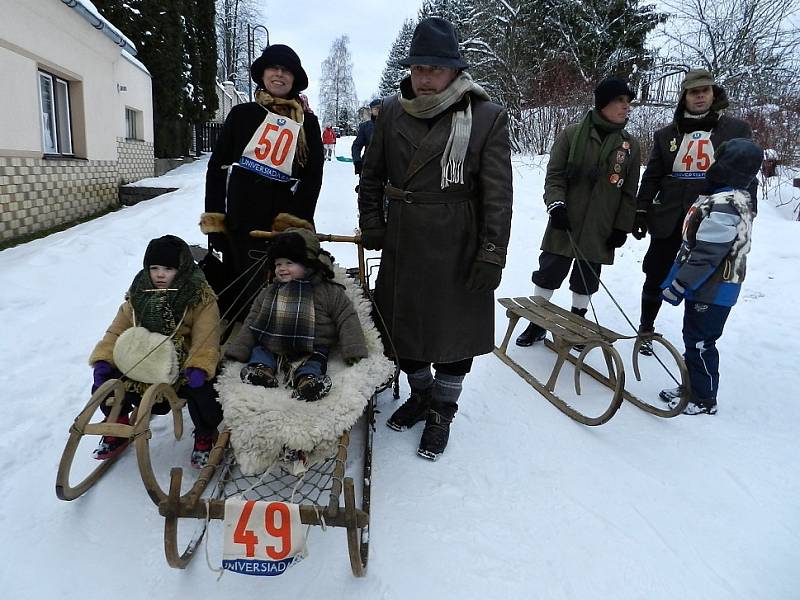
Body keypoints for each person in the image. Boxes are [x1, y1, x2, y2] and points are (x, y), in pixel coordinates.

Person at [358, 17, 513, 461]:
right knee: (402, 330)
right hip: (405, 238)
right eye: (418, 68)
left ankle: (443, 407)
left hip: (458, 239)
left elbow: (498, 196)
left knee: (452, 333)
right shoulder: (390, 111)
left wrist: (491, 253)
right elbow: (371, 177)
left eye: (434, 68)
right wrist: (372, 221)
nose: (424, 77)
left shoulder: (485, 116)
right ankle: (421, 394)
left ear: (454, 70)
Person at [632, 69, 755, 355]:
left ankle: (697, 343)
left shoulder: (736, 130)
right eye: (693, 92)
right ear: (684, 96)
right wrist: (640, 209)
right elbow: (652, 174)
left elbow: (749, 174)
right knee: (656, 272)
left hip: (715, 216)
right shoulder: (666, 134)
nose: (699, 96)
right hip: (670, 217)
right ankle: (646, 328)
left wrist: (748, 213)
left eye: (705, 91)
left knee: (703, 274)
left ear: (714, 95)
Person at [200, 44, 324, 323]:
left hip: (287, 218)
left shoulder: (308, 124)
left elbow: (313, 176)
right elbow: (217, 168)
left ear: (295, 78)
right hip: (242, 218)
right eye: (274, 68)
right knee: (243, 293)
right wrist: (216, 221)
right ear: (263, 73)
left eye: (286, 70)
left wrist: (299, 220)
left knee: (287, 291)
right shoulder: (242, 115)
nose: (279, 75)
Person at [515, 77, 641, 347]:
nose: (626, 107)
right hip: (565, 221)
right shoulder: (572, 134)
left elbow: (630, 192)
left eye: (628, 102)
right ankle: (537, 322)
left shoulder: (630, 145)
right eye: (620, 100)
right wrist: (556, 204)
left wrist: (622, 226)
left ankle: (578, 324)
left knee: (586, 279)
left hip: (601, 225)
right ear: (603, 103)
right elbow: (555, 176)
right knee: (548, 272)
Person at [88, 236, 223, 468]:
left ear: (181, 269)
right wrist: (104, 359)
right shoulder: (139, 293)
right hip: (144, 358)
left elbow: (206, 336)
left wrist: (199, 365)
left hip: (183, 363)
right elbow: (118, 329)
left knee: (202, 391)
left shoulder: (199, 295)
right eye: (154, 268)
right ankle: (117, 423)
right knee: (107, 383)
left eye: (168, 269)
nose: (160, 274)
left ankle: (205, 433)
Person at [657, 138, 762, 415]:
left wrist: (680, 284)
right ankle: (690, 386)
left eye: (719, 161)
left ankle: (704, 399)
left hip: (714, 289)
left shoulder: (727, 204)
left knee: (702, 343)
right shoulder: (723, 197)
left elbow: (708, 254)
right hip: (706, 287)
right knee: (693, 338)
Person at [224, 220, 368, 401]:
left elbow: (347, 317)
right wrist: (240, 349)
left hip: (312, 346)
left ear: (308, 264)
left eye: (289, 263)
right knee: (261, 351)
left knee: (315, 361)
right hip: (273, 342)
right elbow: (253, 320)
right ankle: (261, 371)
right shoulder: (270, 291)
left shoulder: (328, 291)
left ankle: (308, 383)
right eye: (277, 264)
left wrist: (354, 349)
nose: (281, 269)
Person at [352, 98, 382, 175]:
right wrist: (357, 161)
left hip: (388, 168)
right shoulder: (365, 127)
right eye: (376, 108)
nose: (379, 110)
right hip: (368, 167)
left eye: (381, 108)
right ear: (371, 110)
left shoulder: (390, 125)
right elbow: (356, 146)